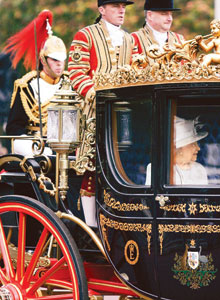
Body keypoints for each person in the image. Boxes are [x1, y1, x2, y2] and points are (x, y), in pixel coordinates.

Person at [68, 0, 137, 227]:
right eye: (116, 6)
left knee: (122, 167)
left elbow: (138, 73)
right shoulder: (85, 35)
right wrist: (97, 95)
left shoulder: (130, 39)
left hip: (123, 113)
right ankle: (90, 226)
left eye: (123, 6)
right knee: (92, 169)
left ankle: (116, 220)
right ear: (101, 10)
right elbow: (76, 73)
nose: (122, 10)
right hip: (93, 113)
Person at [4, 10, 68, 156]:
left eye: (62, 60)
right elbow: (14, 127)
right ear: (43, 60)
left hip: (65, 145)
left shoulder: (69, 83)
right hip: (35, 147)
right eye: (55, 60)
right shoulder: (27, 85)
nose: (59, 65)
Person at [145, 117, 208, 185]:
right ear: (179, 149)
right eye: (193, 145)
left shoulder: (199, 170)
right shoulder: (157, 169)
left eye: (197, 144)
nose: (198, 148)